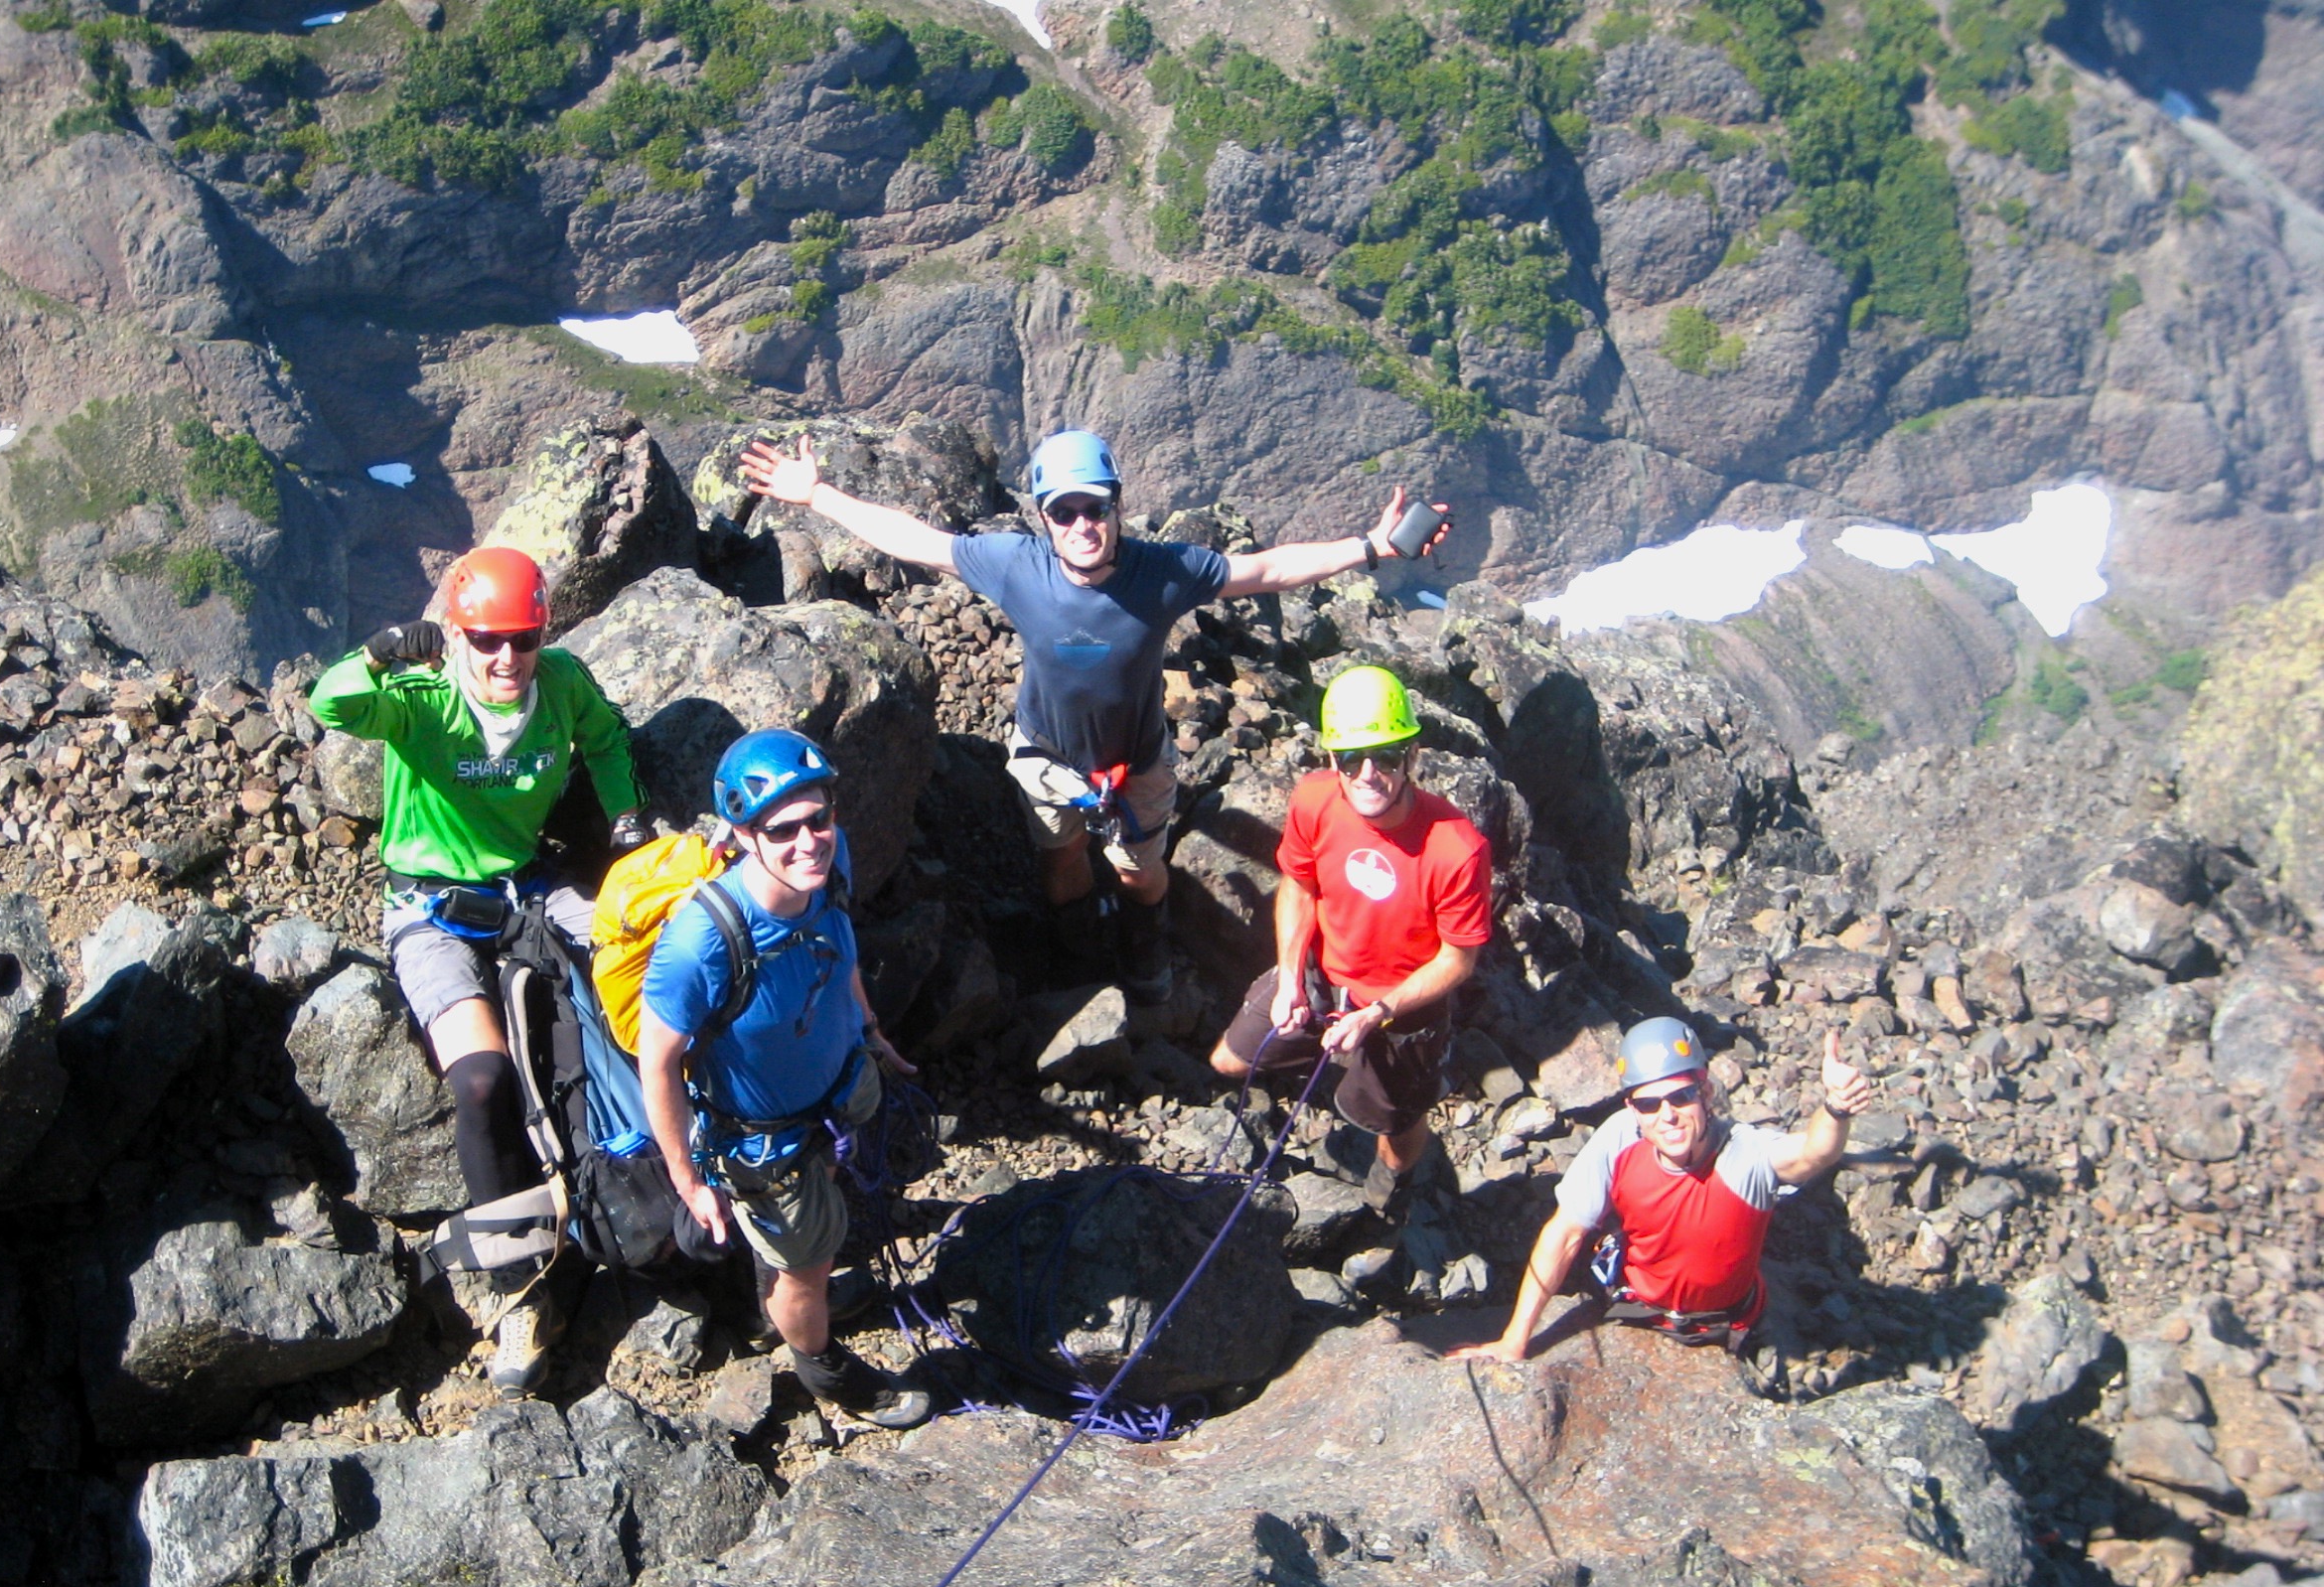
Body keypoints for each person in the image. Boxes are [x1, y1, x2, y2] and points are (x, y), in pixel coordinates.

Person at [738, 427, 1449, 1003]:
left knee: (1142, 871)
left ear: (1116, 506)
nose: (1082, 525)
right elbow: (912, 539)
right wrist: (818, 495)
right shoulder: (1017, 565)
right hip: (1047, 758)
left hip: (1136, 760)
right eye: (1064, 511)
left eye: (1095, 508)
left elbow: (1262, 570)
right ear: (1043, 517)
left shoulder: (1161, 572)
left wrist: (1370, 547)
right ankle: (1079, 955)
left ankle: (1143, 954)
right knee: (1060, 857)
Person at [309, 545, 644, 1395]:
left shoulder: (561, 683)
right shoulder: (420, 700)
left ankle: (673, 1191)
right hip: (428, 906)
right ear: (457, 634)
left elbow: (605, 741)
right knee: (484, 1081)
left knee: (642, 979)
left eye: (522, 639)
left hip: (526, 887)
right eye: (486, 639)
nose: (506, 659)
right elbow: (333, 702)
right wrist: (387, 649)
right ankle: (521, 1289)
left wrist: (629, 820)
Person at [636, 729, 933, 1431]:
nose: (811, 842)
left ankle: (791, 1292)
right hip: (763, 1145)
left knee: (825, 1214)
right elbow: (658, 1063)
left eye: (820, 818)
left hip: (832, 1091)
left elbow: (841, 949)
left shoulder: (831, 865)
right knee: (808, 1259)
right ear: (742, 834)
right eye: (785, 829)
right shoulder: (701, 943)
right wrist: (689, 1180)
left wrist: (869, 1029)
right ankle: (821, 1361)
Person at [1209, 666, 1490, 1214]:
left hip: (1400, 1005)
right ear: (1330, 759)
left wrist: (1376, 1012)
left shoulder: (1457, 848)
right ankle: (1328, 1066)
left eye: (1385, 756)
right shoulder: (1315, 800)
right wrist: (1290, 976)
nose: (1368, 775)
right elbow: (1298, 882)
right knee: (1228, 1061)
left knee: (1393, 1121)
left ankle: (1391, 1187)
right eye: (1350, 759)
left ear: (1412, 756)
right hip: (1320, 972)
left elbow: (1458, 959)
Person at [1452, 1018, 1875, 1364]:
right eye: (1650, 1104)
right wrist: (1515, 1340)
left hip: (1721, 1323)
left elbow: (1811, 1155)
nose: (1667, 1115)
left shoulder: (1743, 1152)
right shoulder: (1619, 1138)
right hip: (1634, 1307)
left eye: (1681, 1096)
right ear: (1632, 1108)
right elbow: (1564, 1233)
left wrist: (1835, 1107)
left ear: (1706, 1092)